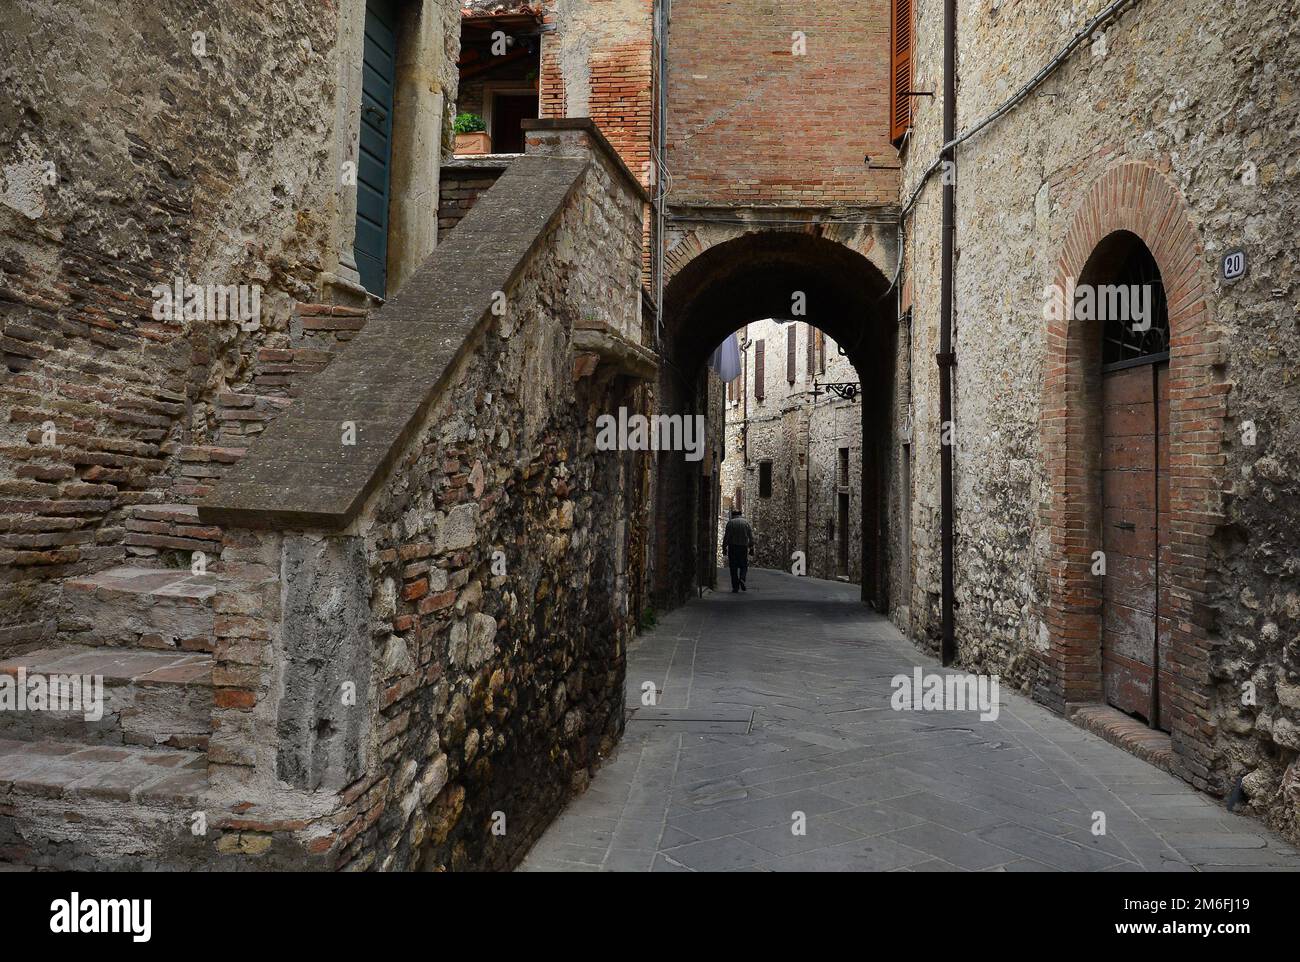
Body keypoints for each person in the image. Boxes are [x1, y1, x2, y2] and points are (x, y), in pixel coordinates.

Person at [722, 508, 754, 593]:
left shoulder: (730, 523)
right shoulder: (746, 523)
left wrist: (724, 548)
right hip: (743, 547)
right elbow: (750, 536)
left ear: (733, 515)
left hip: (733, 547)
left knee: (733, 567)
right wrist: (751, 547)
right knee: (744, 565)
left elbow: (726, 537)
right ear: (740, 514)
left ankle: (735, 587)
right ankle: (742, 578)